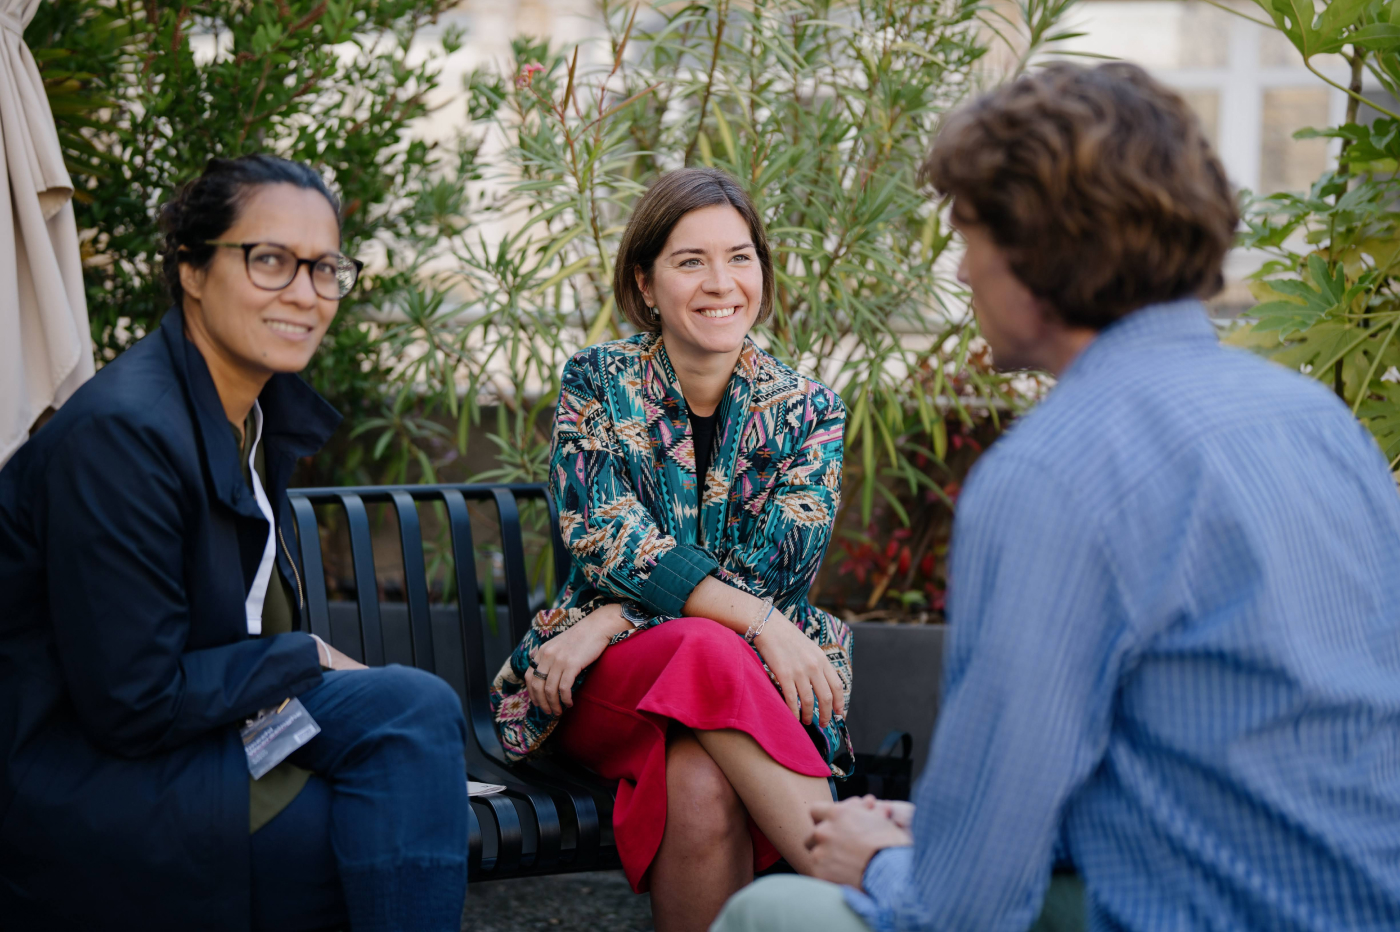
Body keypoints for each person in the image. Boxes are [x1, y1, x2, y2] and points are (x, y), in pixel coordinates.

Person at [713, 61, 1400, 932]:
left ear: (1033, 251)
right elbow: (1232, 762)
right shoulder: (1315, 421)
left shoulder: (1053, 472)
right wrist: (940, 832)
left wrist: (886, 861)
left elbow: (963, 912)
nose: (960, 274)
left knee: (773, 910)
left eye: (968, 237)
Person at [0, 155, 469, 931]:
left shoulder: (244, 412)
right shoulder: (126, 435)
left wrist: (296, 658)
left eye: (325, 269)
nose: (306, 294)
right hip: (87, 771)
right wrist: (303, 654)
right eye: (271, 261)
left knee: (419, 707)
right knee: (367, 818)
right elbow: (131, 704)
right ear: (191, 268)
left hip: (202, 730)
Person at [489, 167, 854, 931]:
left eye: (740, 256)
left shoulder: (808, 411)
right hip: (598, 689)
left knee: (698, 784)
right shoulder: (597, 382)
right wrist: (759, 623)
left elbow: (772, 569)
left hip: (735, 683)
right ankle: (855, 872)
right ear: (645, 283)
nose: (721, 282)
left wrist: (611, 619)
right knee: (704, 647)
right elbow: (610, 538)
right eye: (691, 260)